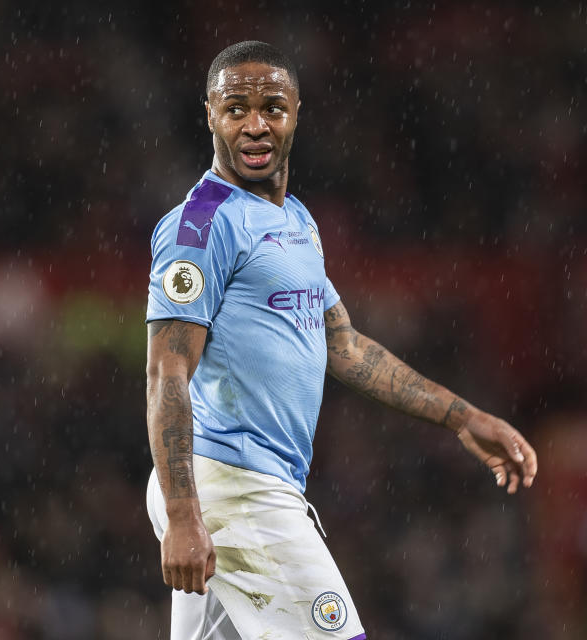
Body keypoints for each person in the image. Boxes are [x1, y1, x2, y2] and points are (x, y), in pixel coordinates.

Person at [144, 41, 538, 640]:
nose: (255, 125)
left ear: (297, 110)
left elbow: (345, 348)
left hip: (243, 488)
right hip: (232, 488)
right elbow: (166, 374)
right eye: (236, 109)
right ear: (209, 114)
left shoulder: (296, 220)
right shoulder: (201, 227)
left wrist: (461, 417)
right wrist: (182, 514)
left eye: (272, 107)